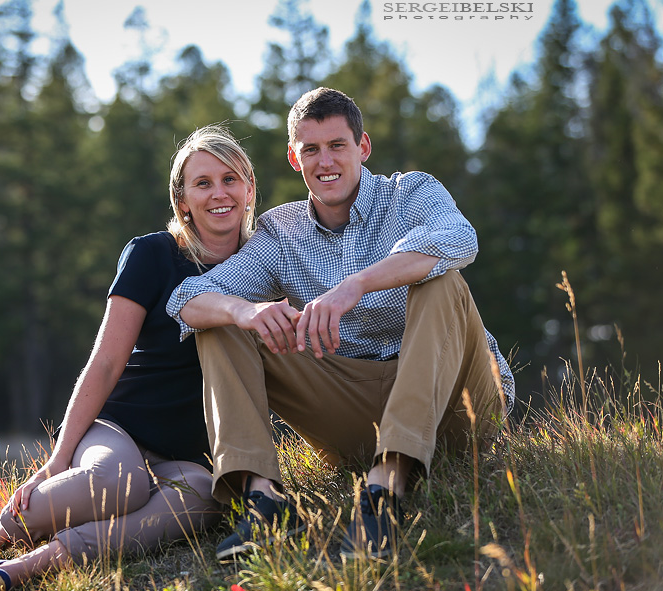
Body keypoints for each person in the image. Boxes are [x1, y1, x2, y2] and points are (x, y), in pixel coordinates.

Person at [166, 87, 516, 561]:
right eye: (310, 149)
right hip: (350, 405)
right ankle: (265, 504)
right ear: (294, 157)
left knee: (441, 280)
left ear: (363, 147)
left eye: (337, 145)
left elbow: (459, 240)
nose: (324, 161)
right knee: (221, 320)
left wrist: (356, 285)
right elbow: (186, 300)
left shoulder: (411, 193)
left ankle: (384, 493)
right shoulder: (279, 231)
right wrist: (246, 310)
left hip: (456, 404)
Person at [0, 124, 258, 591]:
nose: (218, 193)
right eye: (202, 183)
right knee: (120, 484)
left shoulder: (268, 262)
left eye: (230, 179)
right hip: (120, 427)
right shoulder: (152, 254)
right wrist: (57, 459)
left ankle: (24, 567)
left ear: (248, 190)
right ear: (182, 200)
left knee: (201, 500)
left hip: (188, 457)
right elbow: (104, 362)